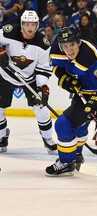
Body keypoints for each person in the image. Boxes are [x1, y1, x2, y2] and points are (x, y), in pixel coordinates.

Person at [46, 26, 97, 176]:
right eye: (66, 46)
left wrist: (96, 102)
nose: (70, 50)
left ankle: (67, 162)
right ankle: (77, 155)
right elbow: (55, 66)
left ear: (79, 42)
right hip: (83, 91)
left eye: (72, 45)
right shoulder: (56, 50)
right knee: (79, 126)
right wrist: (64, 79)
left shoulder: (90, 56)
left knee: (63, 124)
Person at [0, 10, 57, 154]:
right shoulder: (9, 32)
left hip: (29, 78)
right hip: (6, 75)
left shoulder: (43, 44)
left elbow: (43, 68)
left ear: (37, 25)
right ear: (22, 24)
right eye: (26, 24)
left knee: (41, 109)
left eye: (33, 24)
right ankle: (1, 137)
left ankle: (48, 139)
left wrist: (42, 87)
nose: (30, 27)